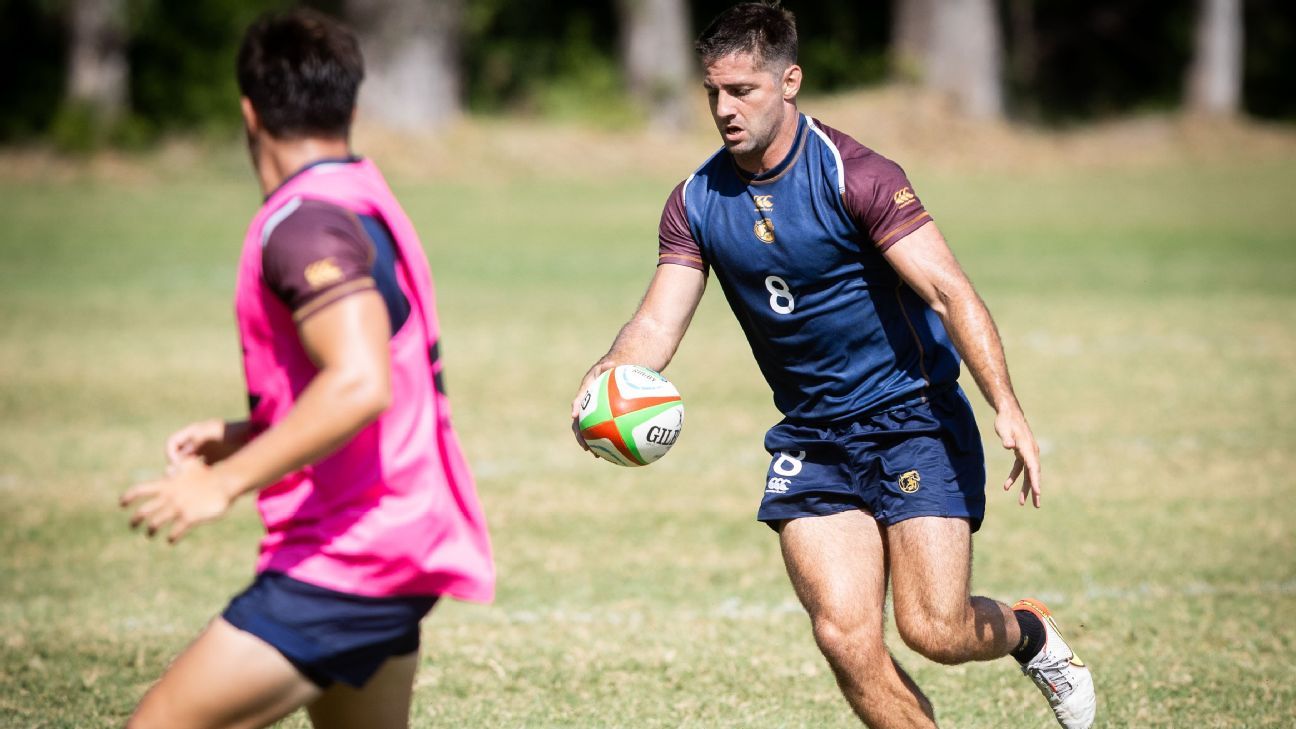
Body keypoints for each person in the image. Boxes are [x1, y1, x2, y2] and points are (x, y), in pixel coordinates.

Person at [570, 3, 1094, 728]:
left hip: (913, 417)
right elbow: (658, 320)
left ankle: (1029, 629)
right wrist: (608, 377)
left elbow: (949, 290)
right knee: (844, 636)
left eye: (743, 90)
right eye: (713, 92)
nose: (724, 109)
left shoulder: (857, 174)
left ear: (790, 81)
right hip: (814, 435)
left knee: (933, 628)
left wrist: (1005, 403)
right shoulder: (695, 200)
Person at [119, 9, 494, 728]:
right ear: (351, 107)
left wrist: (220, 483)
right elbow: (382, 369)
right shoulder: (363, 198)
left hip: (349, 557)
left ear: (249, 112)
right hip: (400, 537)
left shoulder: (304, 223)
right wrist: (248, 431)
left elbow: (360, 380)